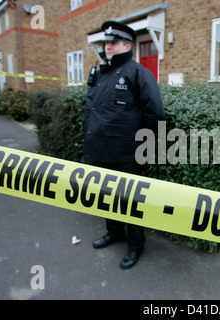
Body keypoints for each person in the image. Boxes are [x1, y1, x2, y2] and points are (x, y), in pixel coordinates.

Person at [83, 20, 165, 269]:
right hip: (100, 152)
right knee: (107, 197)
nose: (108, 47)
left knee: (131, 202)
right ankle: (114, 232)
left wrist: (142, 147)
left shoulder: (138, 72)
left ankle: (135, 244)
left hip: (126, 154)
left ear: (127, 45)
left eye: (113, 43)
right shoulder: (101, 73)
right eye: (106, 43)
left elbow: (156, 113)